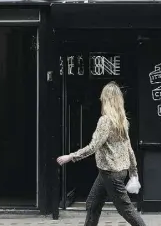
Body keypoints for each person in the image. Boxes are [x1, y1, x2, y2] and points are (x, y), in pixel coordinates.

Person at [57, 81, 146, 226]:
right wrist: (133, 171)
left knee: (126, 209)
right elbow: (129, 147)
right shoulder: (122, 121)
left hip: (111, 172)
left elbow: (93, 146)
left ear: (106, 100)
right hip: (111, 171)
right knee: (93, 203)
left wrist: (71, 156)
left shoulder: (105, 121)